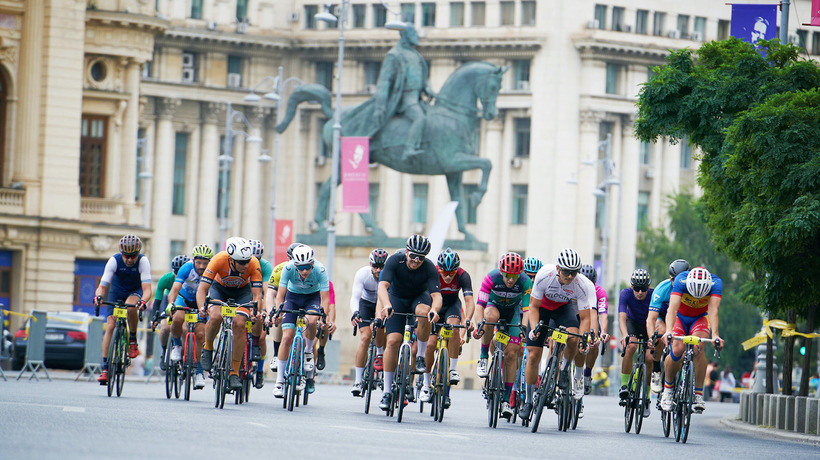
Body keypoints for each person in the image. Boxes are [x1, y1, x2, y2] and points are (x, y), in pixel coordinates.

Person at [520, 248, 595, 421]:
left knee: (574, 338)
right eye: (566, 272)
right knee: (533, 355)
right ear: (557, 268)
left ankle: (563, 368)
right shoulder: (544, 275)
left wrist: (584, 339)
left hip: (563, 309)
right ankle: (529, 401)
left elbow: (584, 318)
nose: (569, 277)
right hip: (543, 309)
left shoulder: (581, 284)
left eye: (574, 273)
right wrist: (533, 330)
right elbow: (533, 306)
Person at [376, 235, 442, 411]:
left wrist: (434, 310)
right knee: (392, 341)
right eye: (413, 255)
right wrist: (387, 305)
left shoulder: (429, 267)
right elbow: (382, 286)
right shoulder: (394, 261)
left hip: (418, 299)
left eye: (420, 257)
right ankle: (387, 392)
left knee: (424, 312)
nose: (416, 260)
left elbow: (437, 296)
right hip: (396, 298)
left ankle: (420, 355)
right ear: (406, 252)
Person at [196, 237, 264, 391]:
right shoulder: (218, 259)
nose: (245, 265)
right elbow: (202, 289)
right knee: (215, 316)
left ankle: (234, 372)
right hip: (219, 289)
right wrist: (201, 307)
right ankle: (208, 347)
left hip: (243, 293)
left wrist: (255, 311)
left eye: (247, 261)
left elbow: (257, 295)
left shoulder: (253, 263)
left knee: (239, 324)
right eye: (241, 262)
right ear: (231, 260)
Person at [474, 252, 531, 419]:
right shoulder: (491, 278)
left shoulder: (525, 281)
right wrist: (479, 325)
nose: (511, 280)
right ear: (501, 272)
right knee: (489, 318)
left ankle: (506, 400)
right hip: (493, 307)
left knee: (512, 353)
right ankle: (484, 357)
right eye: (507, 276)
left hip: (512, 312)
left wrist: (524, 329)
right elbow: (480, 306)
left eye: (514, 276)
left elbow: (527, 311)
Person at [660, 267, 724, 413]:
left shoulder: (716, 283)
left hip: (699, 318)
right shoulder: (680, 281)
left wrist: (715, 335)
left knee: (698, 348)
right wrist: (669, 331)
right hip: (680, 318)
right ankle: (668, 391)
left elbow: (713, 310)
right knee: (676, 349)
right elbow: (672, 309)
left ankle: (698, 395)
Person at [271, 245, 332, 397]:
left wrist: (323, 316)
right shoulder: (288, 268)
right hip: (292, 297)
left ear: (312, 264)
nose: (304, 272)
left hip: (312, 298)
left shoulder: (320, 270)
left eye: (307, 267)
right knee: (286, 337)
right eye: (300, 268)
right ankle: (279, 381)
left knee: (312, 322)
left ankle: (308, 350)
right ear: (295, 265)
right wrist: (279, 310)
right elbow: (280, 295)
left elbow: (325, 299)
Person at [93, 234, 153, 385]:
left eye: (133, 256)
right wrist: (98, 297)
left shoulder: (143, 261)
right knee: (111, 326)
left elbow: (147, 289)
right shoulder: (114, 260)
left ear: (138, 254)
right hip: (117, 291)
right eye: (126, 256)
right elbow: (102, 286)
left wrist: (144, 301)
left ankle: (132, 339)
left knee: (131, 308)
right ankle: (106, 369)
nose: (130, 260)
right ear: (121, 253)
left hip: (135, 290)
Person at [371, 24, 437, 158]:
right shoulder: (394, 55)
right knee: (419, 118)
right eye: (413, 33)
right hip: (405, 98)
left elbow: (423, 75)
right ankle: (409, 148)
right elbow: (384, 81)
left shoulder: (415, 55)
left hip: (418, 97)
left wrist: (427, 87)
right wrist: (380, 107)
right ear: (405, 36)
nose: (416, 36)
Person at [420, 248, 474, 409]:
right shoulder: (432, 273)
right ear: (439, 269)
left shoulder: (463, 276)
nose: (448, 276)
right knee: (430, 345)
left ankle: (452, 369)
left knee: (454, 328)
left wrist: (469, 319)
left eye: (452, 273)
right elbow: (423, 295)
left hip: (451, 306)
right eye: (444, 272)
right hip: (434, 306)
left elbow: (469, 300)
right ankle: (425, 383)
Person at [165, 244, 213, 390]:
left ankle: (199, 372)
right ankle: (177, 346)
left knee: (200, 335)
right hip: (184, 299)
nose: (201, 266)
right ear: (193, 260)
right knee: (178, 318)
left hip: (202, 302)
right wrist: (171, 304)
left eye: (205, 263)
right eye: (198, 262)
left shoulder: (212, 272)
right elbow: (174, 289)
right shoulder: (186, 268)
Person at [646, 259, 690, 393]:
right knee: (661, 332)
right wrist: (652, 338)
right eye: (675, 280)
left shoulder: (692, 290)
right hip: (662, 317)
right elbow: (651, 319)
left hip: (679, 317)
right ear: (670, 278)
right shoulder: (662, 288)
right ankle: (656, 369)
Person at [350, 249, 388, 396]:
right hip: (366, 303)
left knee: (381, 330)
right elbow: (355, 297)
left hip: (383, 303)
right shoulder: (363, 273)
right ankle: (358, 381)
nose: (378, 270)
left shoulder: (390, 276)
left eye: (381, 267)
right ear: (370, 264)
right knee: (365, 338)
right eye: (375, 266)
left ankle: (380, 355)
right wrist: (355, 312)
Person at [617, 269, 654, 418]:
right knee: (631, 345)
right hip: (632, 323)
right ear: (631, 286)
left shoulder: (653, 295)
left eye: (643, 289)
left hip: (648, 325)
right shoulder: (625, 294)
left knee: (650, 358)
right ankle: (624, 385)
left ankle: (646, 398)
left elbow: (656, 318)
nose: (640, 292)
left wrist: (653, 337)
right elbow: (621, 318)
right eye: (636, 288)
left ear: (648, 287)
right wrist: (625, 335)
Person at [265, 242, 303, 375]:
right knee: (278, 316)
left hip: (304, 298)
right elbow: (270, 294)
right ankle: (276, 354)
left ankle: (308, 362)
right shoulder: (280, 269)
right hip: (286, 299)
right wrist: (272, 313)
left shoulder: (309, 269)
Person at [151, 254, 189, 370]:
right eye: (176, 272)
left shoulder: (191, 279)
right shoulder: (165, 279)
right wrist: (154, 317)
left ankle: (184, 353)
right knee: (165, 328)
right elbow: (157, 300)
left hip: (185, 302)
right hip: (168, 302)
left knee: (184, 329)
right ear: (173, 271)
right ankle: (164, 352)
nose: (179, 275)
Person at [577, 264, 609, 397]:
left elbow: (602, 314)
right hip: (575, 316)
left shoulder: (599, 292)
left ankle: (587, 374)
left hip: (591, 318)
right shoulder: (573, 286)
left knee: (593, 342)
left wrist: (603, 332)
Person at [248, 239, 271, 388]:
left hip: (259, 297)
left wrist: (265, 311)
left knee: (261, 336)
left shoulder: (266, 267)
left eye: (258, 259)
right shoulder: (241, 263)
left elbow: (267, 291)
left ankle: (260, 370)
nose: (255, 262)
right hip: (244, 295)